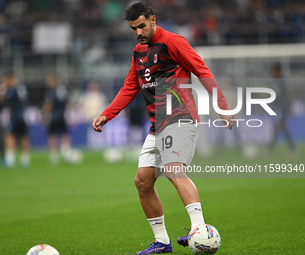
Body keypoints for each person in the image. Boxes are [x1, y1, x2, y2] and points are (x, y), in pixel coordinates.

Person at [92, 2, 234, 254]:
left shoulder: (174, 42)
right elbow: (129, 87)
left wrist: (222, 106)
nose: (138, 32)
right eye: (133, 28)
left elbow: (202, 71)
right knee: (142, 182)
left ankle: (199, 230)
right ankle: (162, 241)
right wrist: (107, 114)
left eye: (142, 26)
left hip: (180, 119)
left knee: (173, 170)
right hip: (157, 125)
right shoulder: (138, 52)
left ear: (153, 19)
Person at [0, 73, 30, 168]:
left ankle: (10, 159)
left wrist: (2, 88)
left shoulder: (12, 90)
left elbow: (1, 99)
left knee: (9, 136)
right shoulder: (22, 88)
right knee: (23, 136)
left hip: (15, 116)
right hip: (22, 116)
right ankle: (25, 159)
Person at [42, 75, 74, 163]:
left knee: (52, 135)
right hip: (62, 115)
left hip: (54, 115)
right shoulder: (63, 90)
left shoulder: (51, 92)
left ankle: (54, 155)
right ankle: (66, 151)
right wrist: (70, 114)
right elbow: (68, 102)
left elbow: (49, 104)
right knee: (64, 133)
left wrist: (45, 115)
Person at [267, 63, 296, 156]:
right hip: (277, 108)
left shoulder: (283, 81)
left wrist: (291, 107)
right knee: (282, 128)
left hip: (283, 108)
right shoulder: (274, 82)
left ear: (278, 71)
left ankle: (269, 149)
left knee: (277, 127)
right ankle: (292, 149)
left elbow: (289, 94)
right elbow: (273, 96)